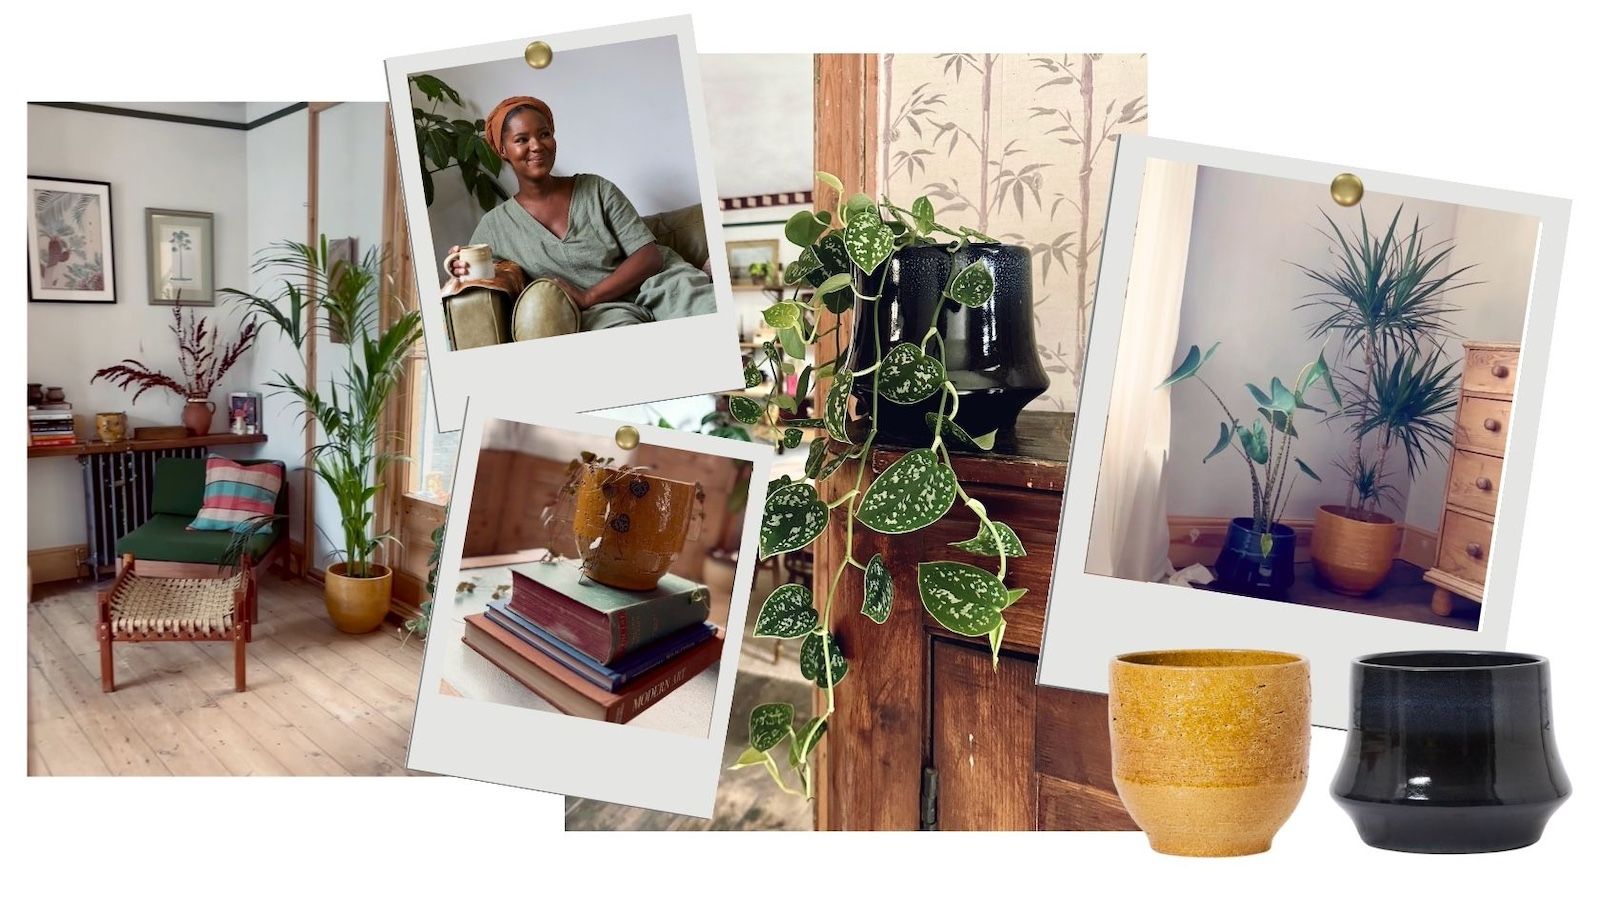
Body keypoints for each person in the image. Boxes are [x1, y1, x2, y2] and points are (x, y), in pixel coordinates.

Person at [445, 95, 715, 331]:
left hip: (661, 285)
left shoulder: (596, 189)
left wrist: (589, 295)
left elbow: (650, 256)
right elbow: (488, 275)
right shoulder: (495, 226)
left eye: (544, 134)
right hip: (602, 315)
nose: (537, 145)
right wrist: (462, 267)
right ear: (503, 150)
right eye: (521, 139)